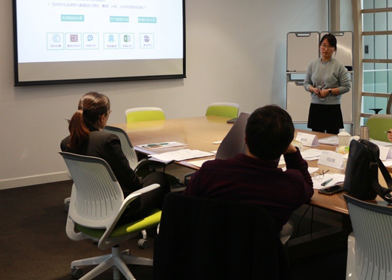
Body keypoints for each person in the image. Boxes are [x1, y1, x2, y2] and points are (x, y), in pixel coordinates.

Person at [184, 105, 314, 232]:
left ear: (245, 138)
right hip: (260, 244)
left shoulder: (210, 171)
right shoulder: (291, 185)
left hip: (209, 242)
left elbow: (184, 208)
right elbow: (308, 187)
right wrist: (293, 154)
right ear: (286, 146)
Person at [61, 92, 170, 222]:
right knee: (159, 177)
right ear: (102, 117)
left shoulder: (66, 142)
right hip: (121, 210)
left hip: (89, 207)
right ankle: (166, 226)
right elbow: (131, 181)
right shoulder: (107, 140)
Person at [304, 34, 351, 134]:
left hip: (332, 108)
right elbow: (306, 83)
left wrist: (329, 91)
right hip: (316, 106)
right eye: (324, 45)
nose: (326, 49)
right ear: (319, 46)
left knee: (332, 139)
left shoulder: (339, 66)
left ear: (334, 49)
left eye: (330, 46)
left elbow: (346, 87)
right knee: (317, 137)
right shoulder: (312, 64)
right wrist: (313, 89)